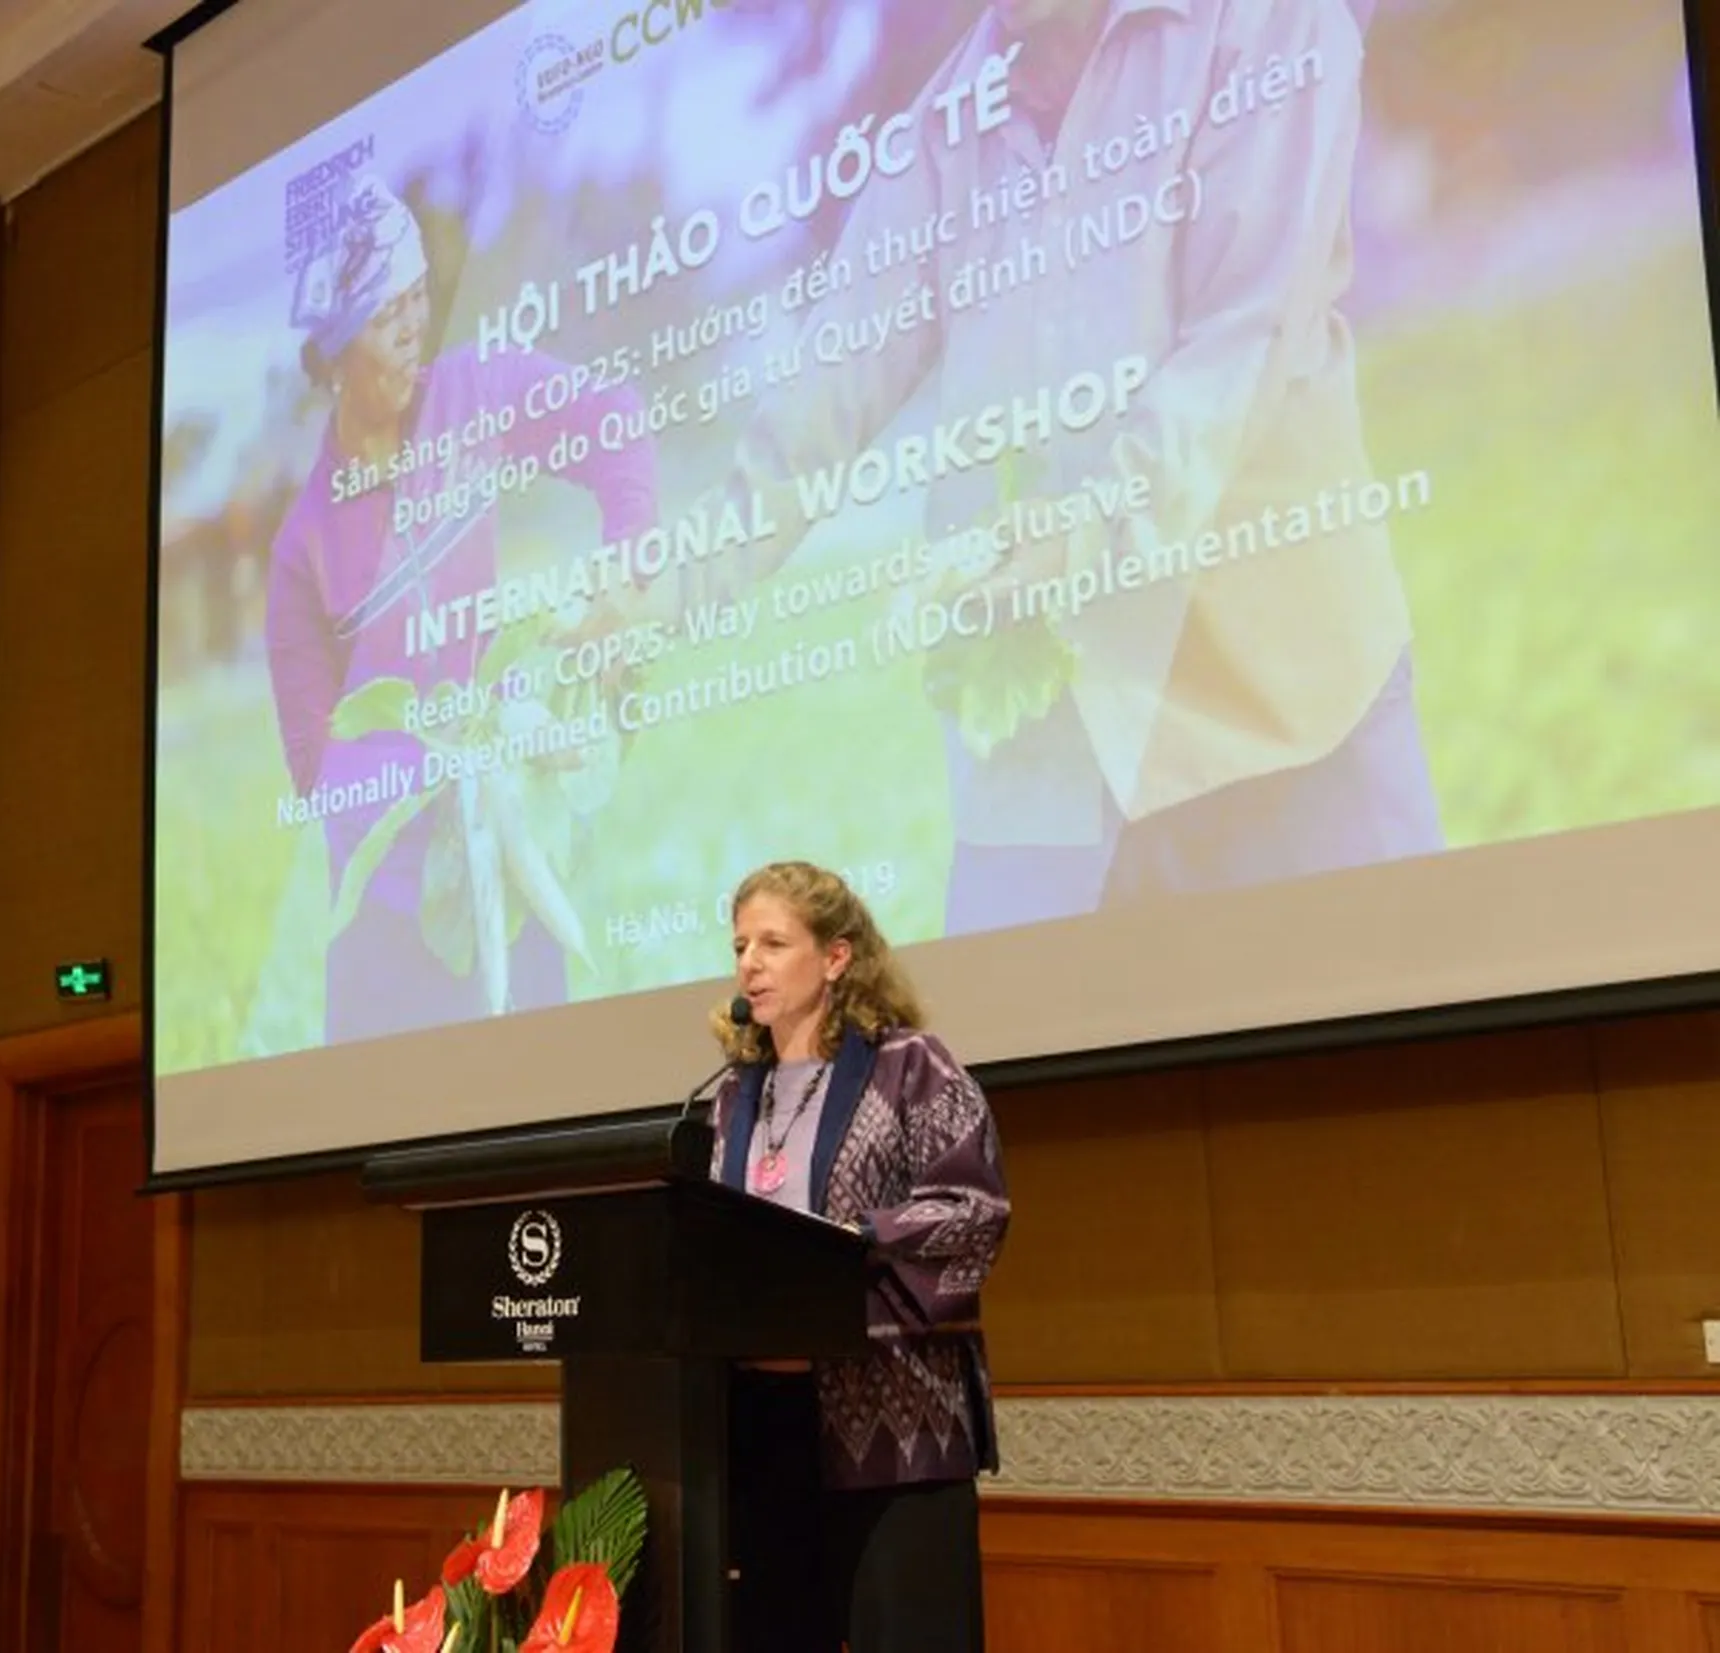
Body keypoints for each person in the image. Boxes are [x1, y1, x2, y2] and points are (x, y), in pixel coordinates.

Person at [714, 0, 1443, 936]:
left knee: (1402, 1019)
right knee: (1004, 1064)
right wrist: (650, 602)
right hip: (1051, 750)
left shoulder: (1269, 25)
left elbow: (1242, 342)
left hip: (1281, 701)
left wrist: (1086, 529)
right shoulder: (939, 132)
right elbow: (814, 413)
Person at [264, 174, 659, 1044]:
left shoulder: (475, 392)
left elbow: (616, 421)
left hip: (510, 882)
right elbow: (312, 762)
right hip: (389, 920)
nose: (411, 334)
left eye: (417, 303)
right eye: (383, 318)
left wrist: (623, 565)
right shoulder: (305, 547)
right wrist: (446, 772)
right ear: (329, 355)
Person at [707, 860, 1010, 1653]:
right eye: (742, 944)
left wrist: (853, 1242)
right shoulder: (733, 1094)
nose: (750, 963)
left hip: (893, 1426)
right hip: (763, 1431)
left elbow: (972, 1210)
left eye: (774, 942)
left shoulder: (912, 1066)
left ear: (836, 957)